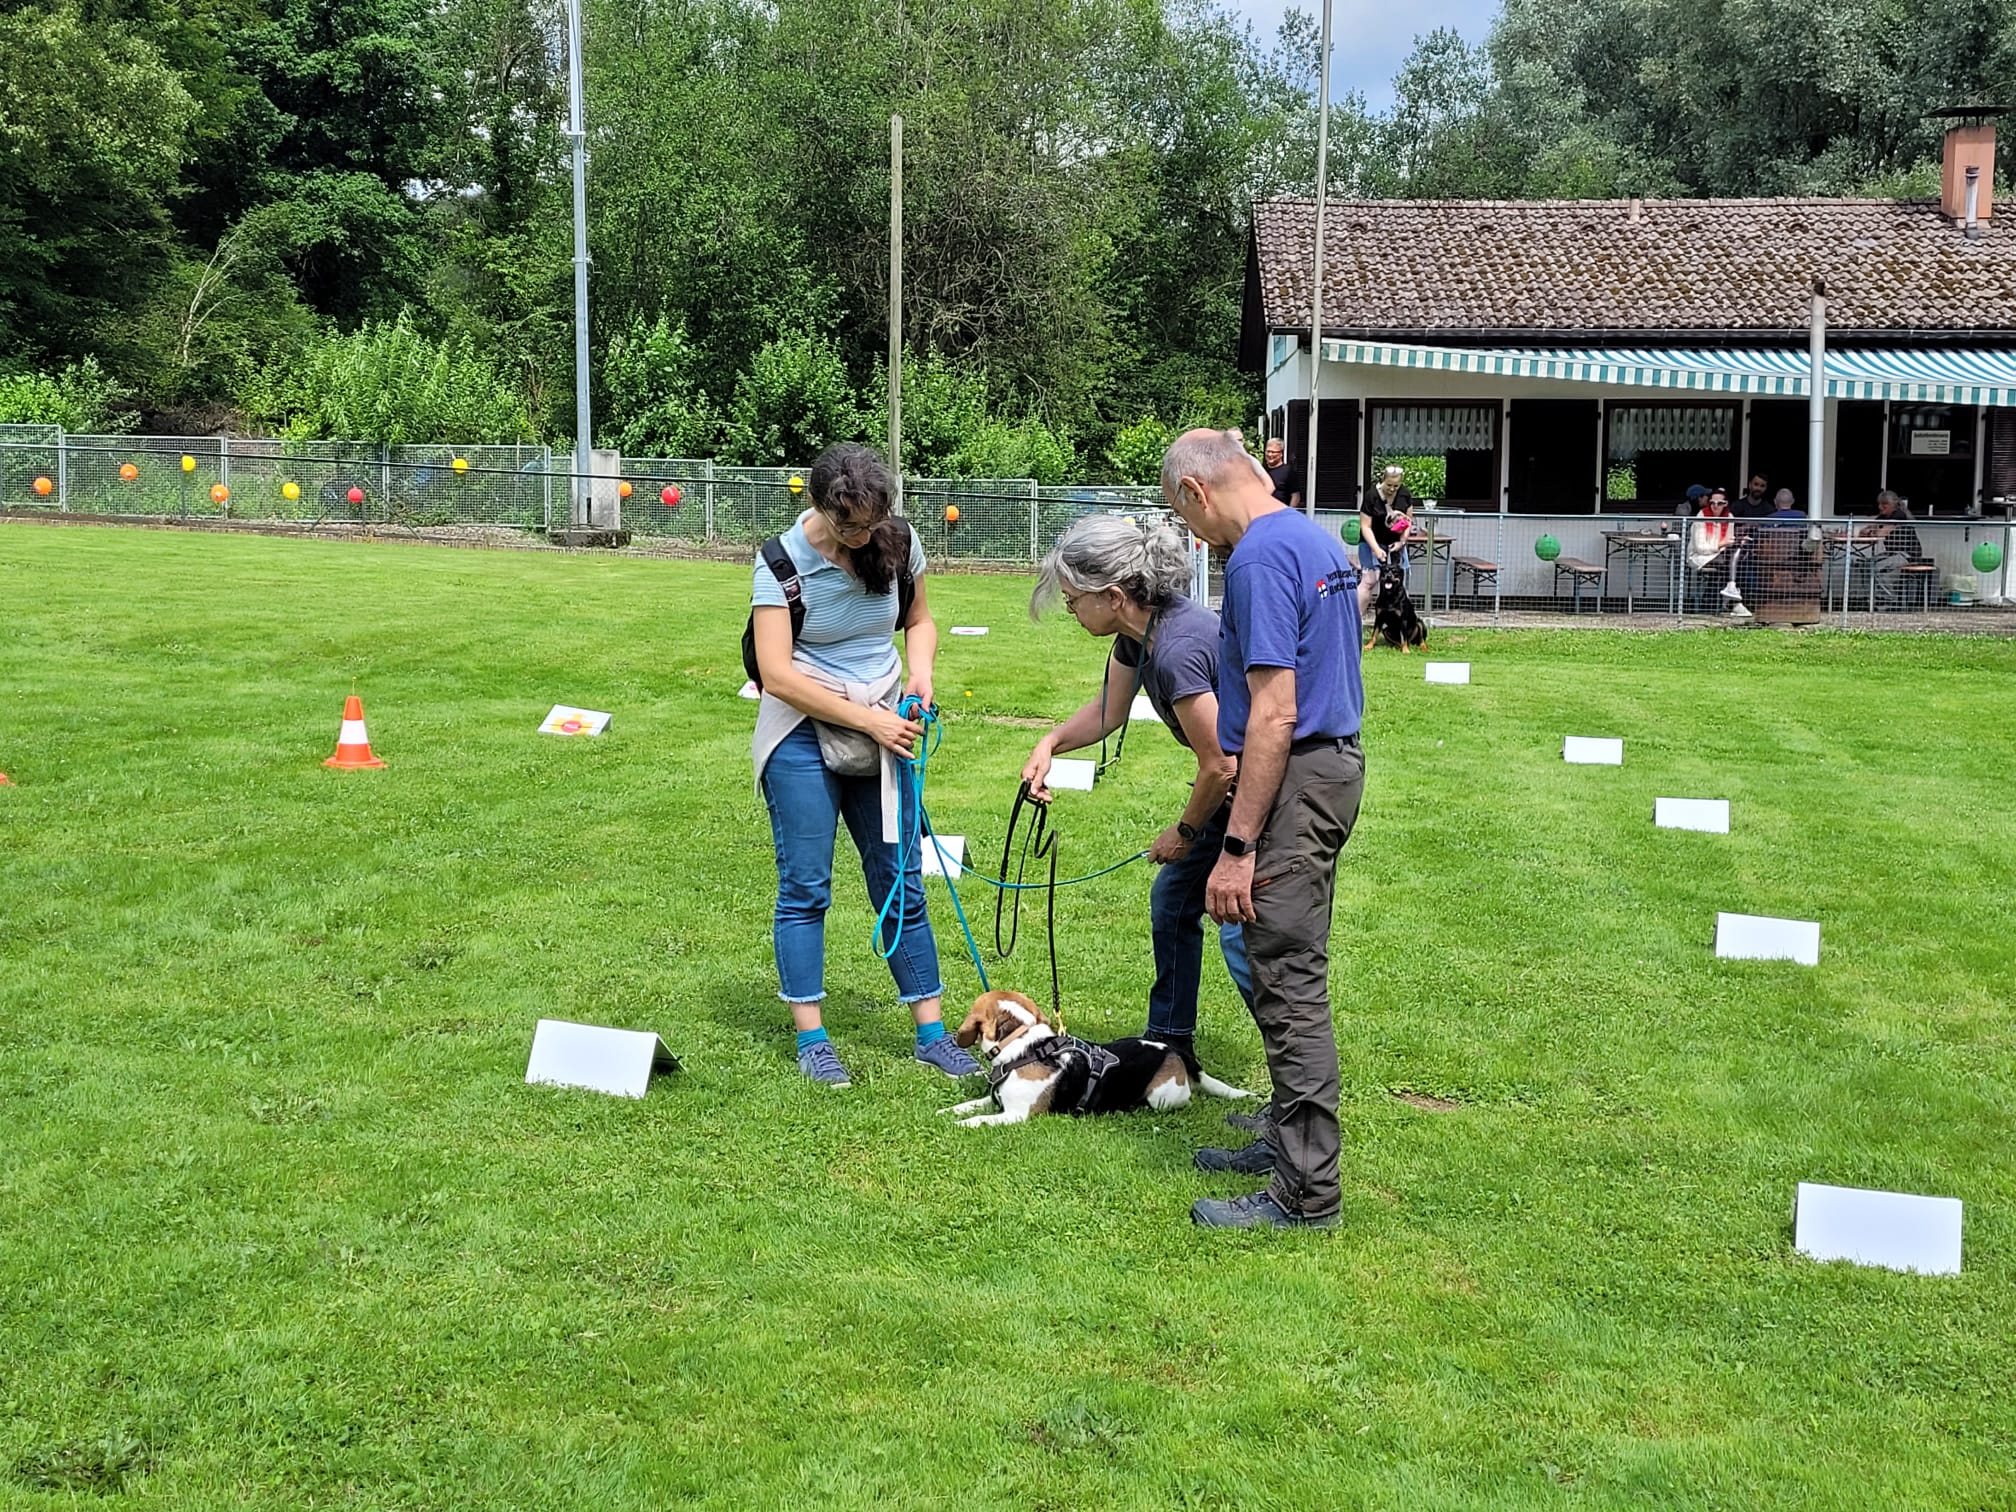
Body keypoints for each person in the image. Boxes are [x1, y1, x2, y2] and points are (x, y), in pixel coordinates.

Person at [1161, 428, 1367, 1231]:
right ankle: (1286, 1138)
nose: (1193, 534)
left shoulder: (1254, 558)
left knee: (1287, 984)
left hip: (1296, 778)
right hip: (1332, 767)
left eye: (1184, 516)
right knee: (1289, 968)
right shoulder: (1311, 537)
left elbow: (1275, 711)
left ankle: (1306, 1195)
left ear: (1196, 492)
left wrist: (1238, 848)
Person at [749, 443, 981, 1088]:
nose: (863, 536)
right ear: (819, 506)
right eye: (850, 526)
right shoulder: (780, 561)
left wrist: (921, 673)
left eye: (873, 523)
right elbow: (775, 674)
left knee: (900, 879)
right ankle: (813, 1040)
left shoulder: (897, 543)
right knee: (806, 886)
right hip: (802, 728)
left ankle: (932, 1035)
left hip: (885, 720)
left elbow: (920, 620)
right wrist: (868, 720)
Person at [1023, 515, 1255, 1068]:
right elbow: (1109, 709)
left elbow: (1221, 764)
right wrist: (1050, 744)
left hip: (1264, 799)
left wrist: (1185, 832)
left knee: (1246, 937)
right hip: (1232, 792)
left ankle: (1298, 1081)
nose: (1071, 611)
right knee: (1174, 900)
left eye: (1073, 600)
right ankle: (1167, 1044)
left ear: (1113, 596)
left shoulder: (1177, 648)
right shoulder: (1138, 637)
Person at [1357, 465, 1414, 619]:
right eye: (1389, 485)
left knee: (1398, 581)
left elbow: (1408, 521)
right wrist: (1376, 549)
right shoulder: (1371, 496)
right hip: (1371, 541)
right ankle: (1356, 619)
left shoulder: (1405, 494)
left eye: (1396, 486)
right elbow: (1365, 526)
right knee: (1370, 580)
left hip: (1395, 542)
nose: (1392, 489)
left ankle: (1401, 621)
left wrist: (1402, 542)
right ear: (1383, 479)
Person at [1861, 489, 1924, 607]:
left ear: (1893, 505)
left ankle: (1888, 599)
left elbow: (1881, 533)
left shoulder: (1899, 515)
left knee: (1878, 567)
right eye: (1879, 504)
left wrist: (1873, 531)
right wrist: (1870, 530)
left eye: (1884, 504)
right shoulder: (1883, 517)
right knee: (1866, 564)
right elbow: (1864, 531)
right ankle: (1872, 599)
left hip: (1908, 554)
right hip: (1892, 553)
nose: (1880, 507)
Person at [1685, 488, 1735, 609]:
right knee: (1728, 562)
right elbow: (1700, 547)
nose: (1715, 506)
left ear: (1726, 504)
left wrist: (1733, 542)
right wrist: (1720, 545)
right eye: (1712, 503)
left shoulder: (1729, 517)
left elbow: (1729, 542)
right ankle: (1729, 597)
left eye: (1720, 503)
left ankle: (1723, 596)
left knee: (1739, 557)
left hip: (1721, 556)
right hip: (1699, 557)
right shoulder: (1701, 516)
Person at [1263, 438, 1301, 510]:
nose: (1270, 454)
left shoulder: (1288, 471)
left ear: (1281, 453)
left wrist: (1290, 512)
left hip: (1280, 512)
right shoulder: (1261, 470)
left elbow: (1295, 495)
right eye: (1268, 451)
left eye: (1273, 452)